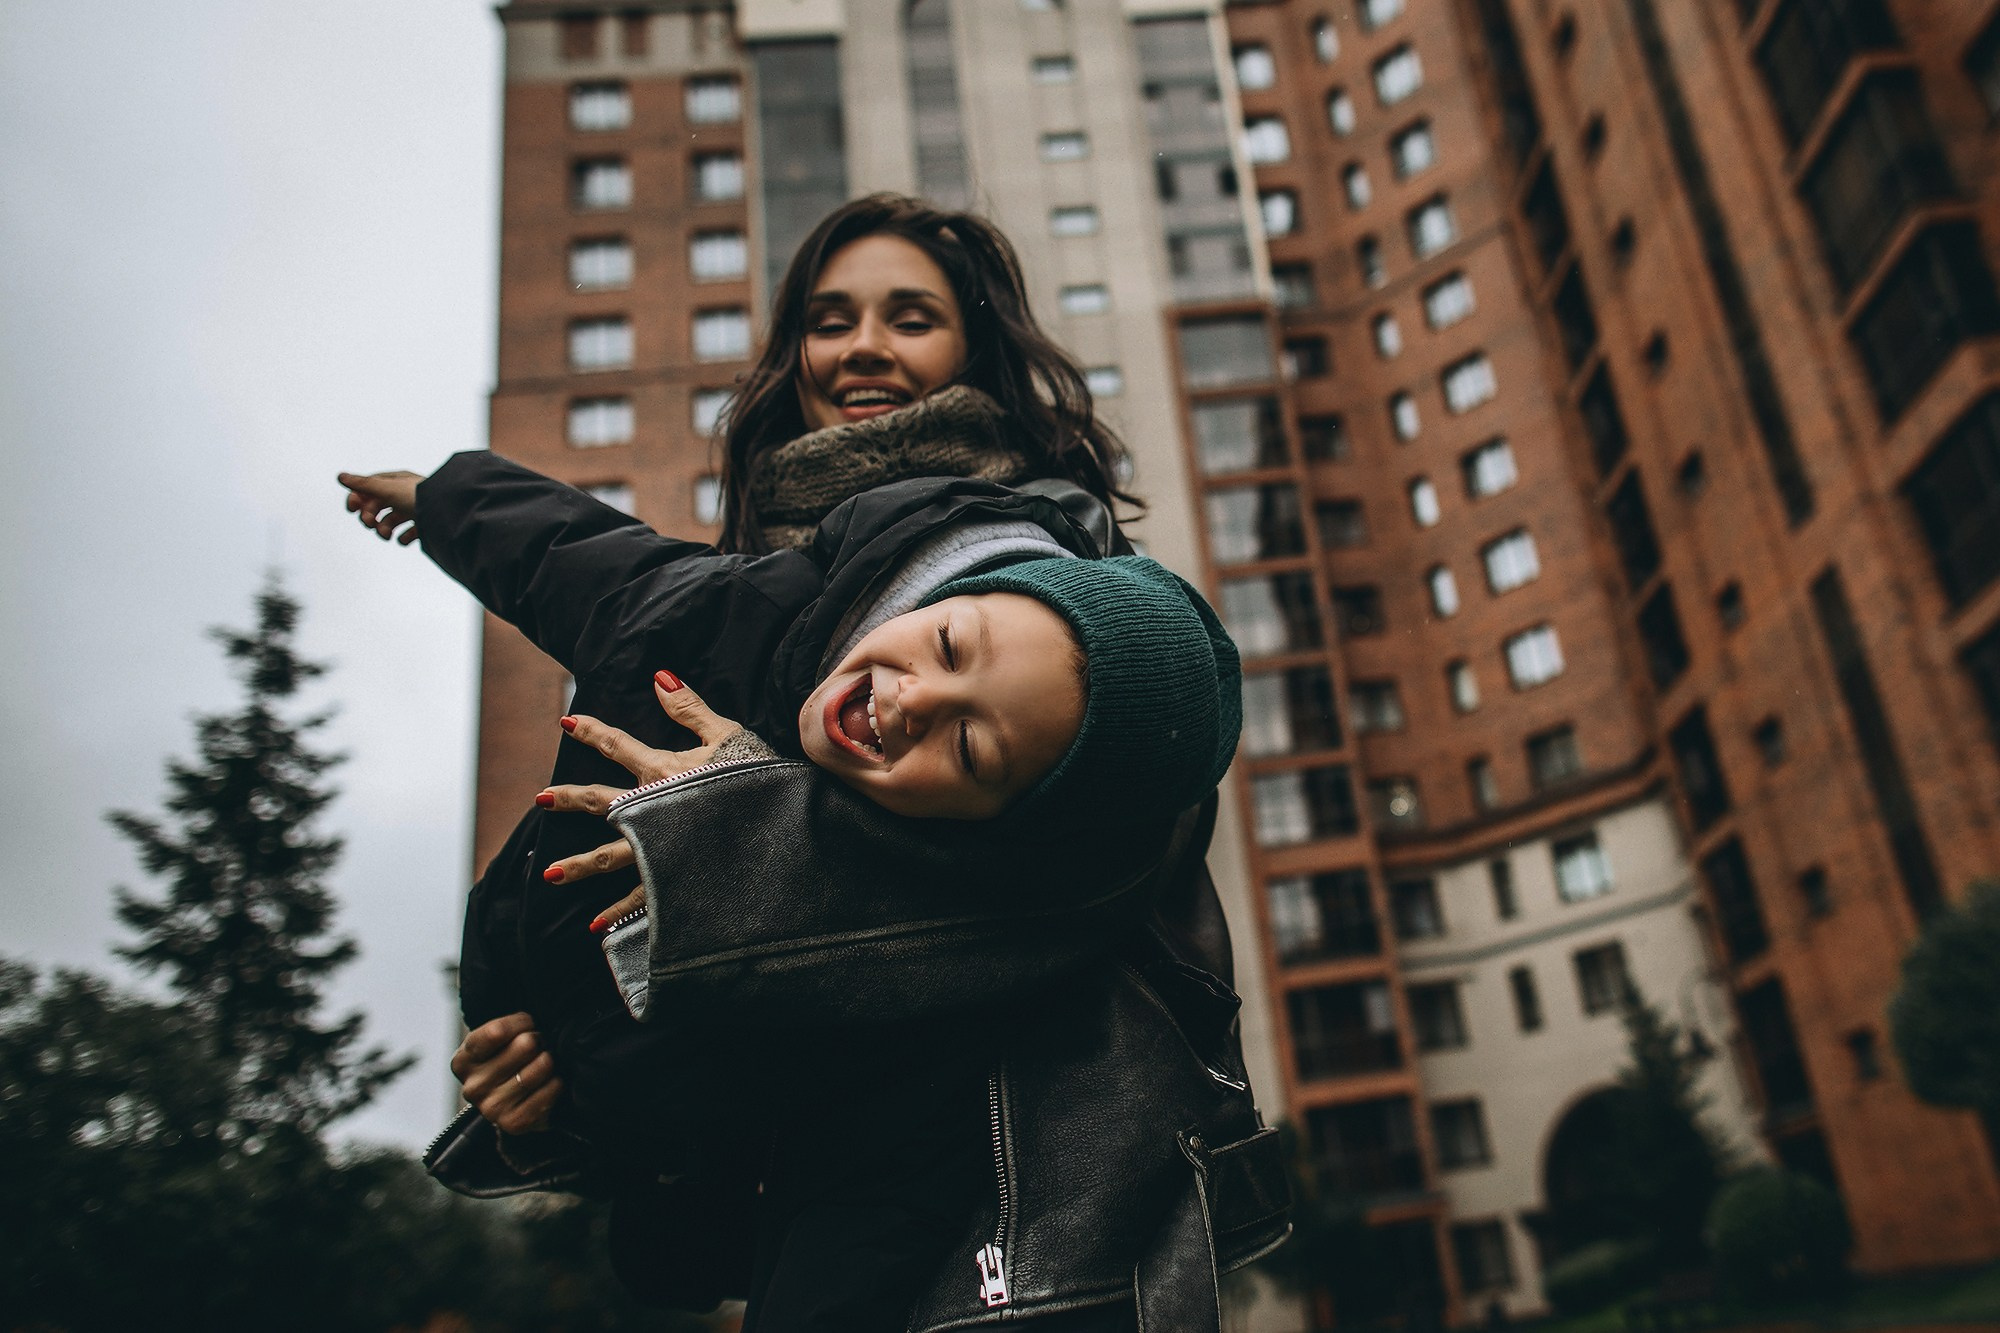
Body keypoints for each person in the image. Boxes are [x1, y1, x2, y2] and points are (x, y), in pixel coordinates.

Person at [351, 194, 1287, 1329]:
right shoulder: (767, 599)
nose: (862, 349)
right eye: (829, 318)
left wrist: (730, 841)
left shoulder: (1058, 575)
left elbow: (1093, 871)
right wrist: (568, 1094)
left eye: (910, 317)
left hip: (1002, 1242)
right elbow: (616, 575)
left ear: (975, 350)